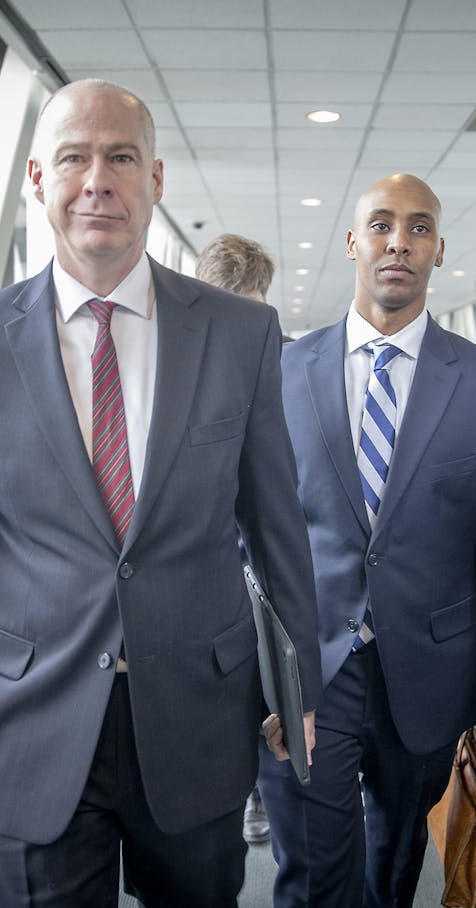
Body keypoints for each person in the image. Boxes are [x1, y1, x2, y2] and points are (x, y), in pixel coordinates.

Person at [0, 79, 320, 908]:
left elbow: (277, 527)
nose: (98, 179)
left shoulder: (239, 334)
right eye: (75, 158)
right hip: (27, 712)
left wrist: (297, 684)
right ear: (36, 179)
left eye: (121, 157)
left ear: (155, 179)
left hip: (196, 709)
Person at [262, 173, 476, 908]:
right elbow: (247, 530)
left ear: (439, 249)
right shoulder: (282, 372)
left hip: (431, 668)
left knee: (395, 860)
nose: (398, 242)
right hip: (311, 665)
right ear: (353, 241)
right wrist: (268, 668)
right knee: (313, 867)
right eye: (381, 225)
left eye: (417, 228)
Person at [192, 231, 279, 847]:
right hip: (208, 568)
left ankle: (258, 789)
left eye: (253, 304)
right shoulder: (173, 365)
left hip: (266, 565)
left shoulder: (282, 359)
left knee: (269, 685)